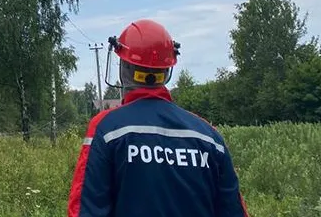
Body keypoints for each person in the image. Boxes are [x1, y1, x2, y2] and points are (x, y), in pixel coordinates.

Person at [67, 19, 249, 216]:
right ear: (167, 70)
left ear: (124, 68)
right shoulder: (209, 136)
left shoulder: (106, 129)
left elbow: (85, 210)